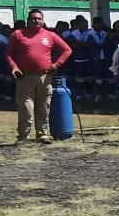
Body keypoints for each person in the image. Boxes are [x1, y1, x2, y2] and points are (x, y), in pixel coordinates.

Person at [4, 8, 73, 143]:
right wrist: (14, 67)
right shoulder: (18, 34)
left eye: (39, 19)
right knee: (26, 108)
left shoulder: (50, 35)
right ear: (28, 20)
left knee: (44, 106)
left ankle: (42, 134)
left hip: (45, 77)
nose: (36, 21)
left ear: (42, 20)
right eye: (33, 18)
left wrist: (57, 64)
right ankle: (23, 135)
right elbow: (8, 53)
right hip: (25, 77)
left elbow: (67, 50)